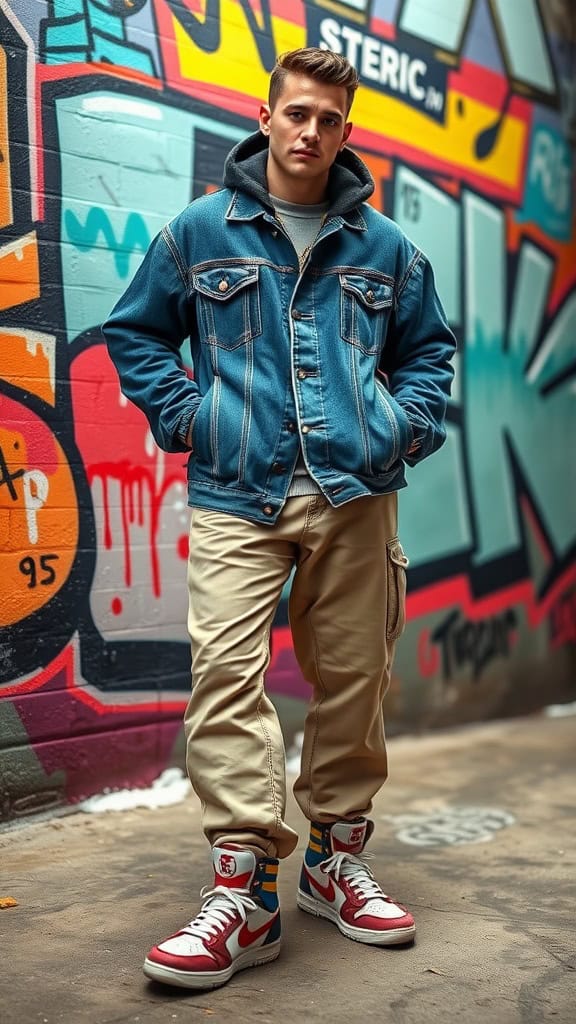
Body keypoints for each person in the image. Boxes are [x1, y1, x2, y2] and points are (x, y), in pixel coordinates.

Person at [103, 47, 455, 990]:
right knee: (225, 672)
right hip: (237, 489)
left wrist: (396, 429)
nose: (310, 131)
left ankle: (335, 861)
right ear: (266, 117)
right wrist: (193, 419)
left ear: (347, 131)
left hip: (356, 494)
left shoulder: (388, 250)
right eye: (296, 113)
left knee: (354, 680)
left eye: (329, 119)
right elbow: (135, 334)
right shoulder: (198, 233)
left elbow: (429, 357)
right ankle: (248, 888)